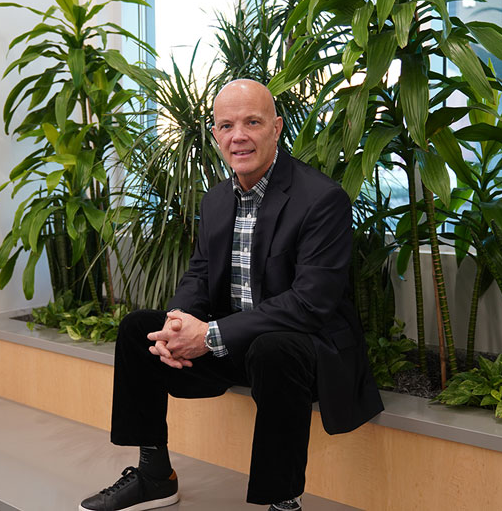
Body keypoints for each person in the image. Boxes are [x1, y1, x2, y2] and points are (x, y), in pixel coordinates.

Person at [79, 79, 383, 511]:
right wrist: (179, 321)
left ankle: (281, 499)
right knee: (138, 331)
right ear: (216, 134)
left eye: (252, 122)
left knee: (273, 349)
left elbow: (310, 303)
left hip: (302, 352)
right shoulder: (218, 199)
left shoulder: (322, 199)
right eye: (226, 125)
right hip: (235, 342)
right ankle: (154, 475)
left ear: (276, 128)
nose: (238, 135)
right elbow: (201, 273)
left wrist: (212, 335)